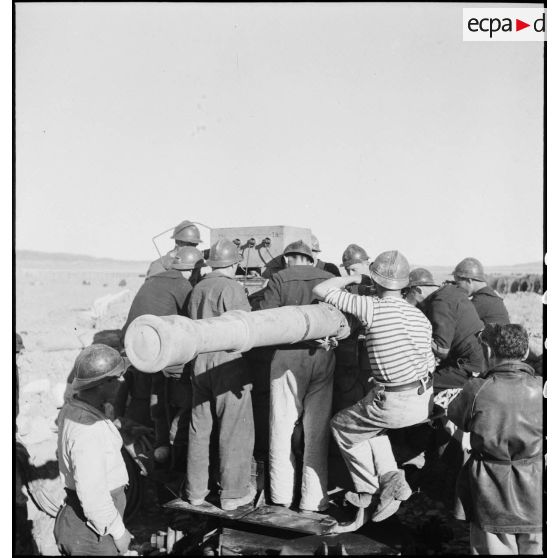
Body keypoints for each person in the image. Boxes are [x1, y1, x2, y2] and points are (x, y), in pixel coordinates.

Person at [313, 250, 435, 524]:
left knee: (341, 427)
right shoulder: (419, 316)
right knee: (369, 426)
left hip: (394, 401)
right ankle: (391, 478)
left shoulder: (371, 306)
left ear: (376, 281)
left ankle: (369, 490)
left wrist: (355, 277)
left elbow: (320, 289)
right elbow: (429, 362)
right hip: (422, 397)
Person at [447, 324, 542, 555]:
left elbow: (455, 417)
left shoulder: (477, 389)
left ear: (489, 353)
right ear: (526, 353)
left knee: (494, 547)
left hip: (490, 485)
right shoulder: (543, 388)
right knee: (537, 545)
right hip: (537, 483)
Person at [256, 240, 335, 512]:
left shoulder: (279, 277)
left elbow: (266, 321)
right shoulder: (329, 278)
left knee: (281, 426)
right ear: (310, 259)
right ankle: (313, 501)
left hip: (288, 356)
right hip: (324, 355)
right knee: (316, 431)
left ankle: (280, 497)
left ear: (289, 258)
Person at [185, 239, 255, 511]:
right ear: (235, 263)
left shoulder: (198, 288)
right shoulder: (232, 287)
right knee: (234, 428)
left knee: (199, 428)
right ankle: (232, 494)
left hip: (199, 361)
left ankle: (195, 492)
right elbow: (248, 326)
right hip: (227, 362)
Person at [121, 246, 204, 462]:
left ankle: (161, 443)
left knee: (158, 389)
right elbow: (194, 319)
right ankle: (173, 442)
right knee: (191, 389)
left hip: (135, 345)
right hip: (157, 351)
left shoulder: (153, 280)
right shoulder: (182, 284)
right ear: (192, 270)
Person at [54, 344, 132, 556]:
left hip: (89, 522)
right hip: (91, 532)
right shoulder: (88, 430)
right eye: (117, 377)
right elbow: (93, 497)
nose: (122, 381)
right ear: (101, 385)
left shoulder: (75, 407)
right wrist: (119, 533)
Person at [333, 244, 374, 414]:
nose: (350, 274)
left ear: (366, 264)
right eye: (347, 271)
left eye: (354, 269)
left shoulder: (380, 286)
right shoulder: (348, 288)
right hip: (349, 360)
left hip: (371, 361)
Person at [452, 257, 510, 326]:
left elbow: (453, 320)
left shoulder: (482, 301)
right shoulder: (488, 296)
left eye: (458, 283)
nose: (457, 287)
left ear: (469, 281)